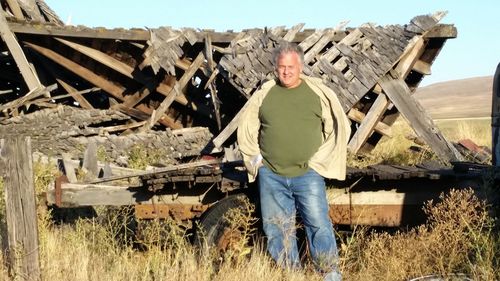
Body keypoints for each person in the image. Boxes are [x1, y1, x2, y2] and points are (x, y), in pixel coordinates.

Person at [237, 41, 350, 280]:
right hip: (271, 174)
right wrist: (257, 161)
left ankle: (329, 275)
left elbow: (337, 127)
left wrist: (319, 162)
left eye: (290, 67)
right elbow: (247, 127)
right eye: (281, 67)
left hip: (308, 174)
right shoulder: (265, 93)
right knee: (278, 229)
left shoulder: (317, 93)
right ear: (275, 69)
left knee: (318, 225)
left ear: (300, 67)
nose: (286, 71)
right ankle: (292, 275)